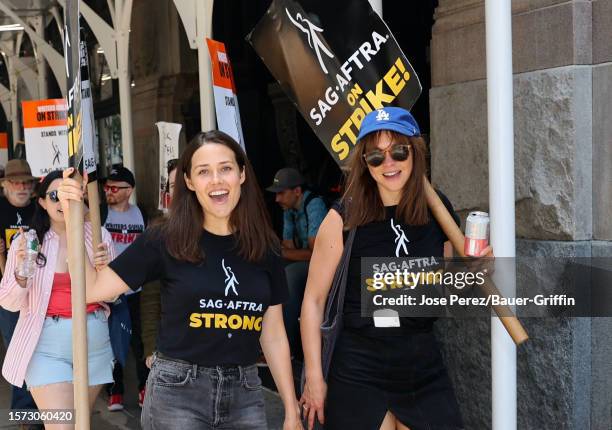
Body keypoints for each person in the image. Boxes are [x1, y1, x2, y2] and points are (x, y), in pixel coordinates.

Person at [59, 130, 302, 429]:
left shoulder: (265, 247)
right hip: (178, 394)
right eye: (203, 172)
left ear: (241, 174)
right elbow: (92, 289)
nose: (216, 180)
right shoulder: (165, 238)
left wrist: (291, 409)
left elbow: (274, 332)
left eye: (225, 168)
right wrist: (72, 217)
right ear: (188, 181)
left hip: (245, 395)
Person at [299, 107, 493, 430]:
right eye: (376, 156)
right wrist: (315, 378)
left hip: (420, 361)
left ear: (415, 151)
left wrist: (474, 272)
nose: (389, 164)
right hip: (358, 363)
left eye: (399, 151)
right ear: (365, 163)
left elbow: (444, 289)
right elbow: (313, 301)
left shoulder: (437, 210)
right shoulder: (342, 218)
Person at [0, 170, 114, 428]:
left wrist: (105, 270)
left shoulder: (98, 236)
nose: (63, 203)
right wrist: (20, 273)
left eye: (70, 196)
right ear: (41, 201)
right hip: (45, 346)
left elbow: (114, 295)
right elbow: (8, 303)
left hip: (93, 341)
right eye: (55, 196)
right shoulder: (26, 241)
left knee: (78, 424)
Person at [101, 166, 149, 410]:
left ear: (129, 190)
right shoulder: (101, 213)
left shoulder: (142, 214)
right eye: (106, 186)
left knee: (141, 341)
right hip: (110, 289)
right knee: (112, 340)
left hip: (136, 289)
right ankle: (115, 391)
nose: (108, 191)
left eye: (115, 187)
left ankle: (144, 389)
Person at [266, 168, 326, 357]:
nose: (277, 199)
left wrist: (284, 252)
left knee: (290, 276)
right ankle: (266, 342)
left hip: (325, 265)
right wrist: (284, 252)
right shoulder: (289, 209)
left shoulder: (314, 204)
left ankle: (287, 348)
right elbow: (287, 247)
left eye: (281, 193)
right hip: (305, 259)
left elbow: (317, 254)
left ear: (297, 191)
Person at [0, 159, 39, 415]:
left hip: (39, 292)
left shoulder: (41, 209)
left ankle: (40, 407)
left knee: (36, 350)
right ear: (5, 184)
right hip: (9, 294)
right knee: (17, 348)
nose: (22, 187)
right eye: (16, 182)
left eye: (27, 182)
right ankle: (26, 412)